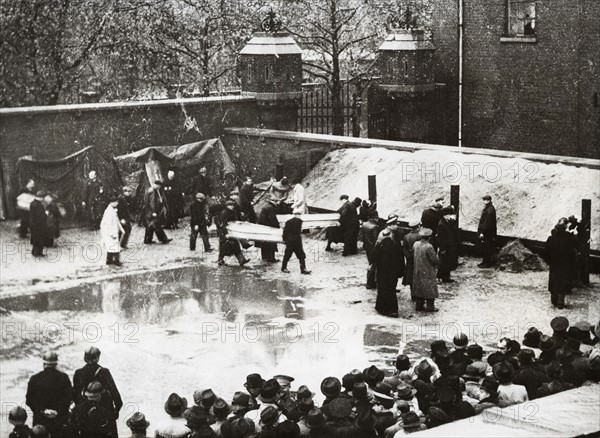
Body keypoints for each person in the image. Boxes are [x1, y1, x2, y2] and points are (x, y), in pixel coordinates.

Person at [73, 346, 123, 432]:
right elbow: (116, 397)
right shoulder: (105, 372)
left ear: (85, 358)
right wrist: (115, 413)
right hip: (104, 414)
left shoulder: (78, 373)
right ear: (98, 358)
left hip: (84, 414)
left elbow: (75, 396)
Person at [25, 351, 72, 438]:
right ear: (56, 364)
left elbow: (29, 400)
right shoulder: (64, 378)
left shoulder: (35, 379)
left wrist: (42, 411)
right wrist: (57, 412)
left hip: (40, 421)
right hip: (59, 421)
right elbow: (69, 399)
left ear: (44, 364)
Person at [546, 218, 578, 309]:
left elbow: (546, 252)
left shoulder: (551, 238)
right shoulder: (568, 238)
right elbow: (573, 251)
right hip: (565, 264)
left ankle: (554, 300)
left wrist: (550, 261)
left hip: (554, 264)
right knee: (563, 282)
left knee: (554, 281)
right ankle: (560, 302)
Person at [373, 229, 402, 318]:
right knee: (391, 290)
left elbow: (374, 258)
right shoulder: (396, 245)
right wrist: (400, 272)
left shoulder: (379, 245)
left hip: (382, 272)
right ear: (390, 236)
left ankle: (382, 308)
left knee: (382, 290)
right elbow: (400, 260)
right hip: (393, 273)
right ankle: (393, 310)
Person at [412, 228, 439, 312]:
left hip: (418, 269)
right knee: (430, 287)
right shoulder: (429, 246)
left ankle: (419, 305)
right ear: (429, 237)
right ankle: (430, 306)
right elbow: (434, 260)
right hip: (428, 270)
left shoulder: (416, 244)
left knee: (419, 286)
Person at [216, 200, 250, 267]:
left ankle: (242, 260)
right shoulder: (224, 213)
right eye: (230, 205)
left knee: (236, 246)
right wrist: (226, 233)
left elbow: (236, 220)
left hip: (232, 231)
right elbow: (223, 224)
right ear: (227, 206)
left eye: (233, 205)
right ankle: (220, 260)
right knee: (223, 248)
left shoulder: (233, 212)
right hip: (225, 232)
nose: (232, 206)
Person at [281, 210, 311, 274]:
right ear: (299, 214)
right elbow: (300, 231)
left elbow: (285, 232)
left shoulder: (288, 222)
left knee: (287, 255)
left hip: (290, 241)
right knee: (301, 255)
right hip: (297, 241)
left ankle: (283, 268)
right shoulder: (300, 221)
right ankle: (303, 269)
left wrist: (285, 240)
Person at [100, 194, 125, 266]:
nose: (117, 203)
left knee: (112, 246)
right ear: (111, 202)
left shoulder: (112, 210)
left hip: (112, 231)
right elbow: (108, 224)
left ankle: (110, 260)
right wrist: (112, 234)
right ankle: (115, 261)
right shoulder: (108, 211)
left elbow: (117, 220)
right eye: (115, 202)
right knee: (114, 246)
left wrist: (121, 229)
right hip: (109, 232)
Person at [143, 180, 171, 244]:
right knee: (156, 224)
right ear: (157, 185)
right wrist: (154, 212)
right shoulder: (152, 191)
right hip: (151, 212)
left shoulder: (151, 190)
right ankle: (163, 238)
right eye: (159, 186)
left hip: (149, 211)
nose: (159, 188)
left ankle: (148, 240)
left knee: (151, 226)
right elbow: (152, 203)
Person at [361, 211, 381, 289]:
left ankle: (370, 282)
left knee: (371, 264)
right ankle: (370, 283)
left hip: (367, 248)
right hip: (373, 249)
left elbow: (363, 237)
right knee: (374, 265)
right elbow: (376, 240)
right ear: (374, 218)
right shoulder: (374, 227)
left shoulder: (364, 224)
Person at [402, 220, 421, 300]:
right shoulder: (420, 236)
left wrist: (408, 256)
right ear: (418, 227)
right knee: (418, 276)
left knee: (410, 277)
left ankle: (413, 295)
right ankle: (419, 295)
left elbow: (404, 248)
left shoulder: (406, 236)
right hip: (418, 259)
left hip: (410, 259)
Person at [436, 213, 458, 283]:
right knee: (442, 263)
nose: (450, 216)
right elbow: (441, 238)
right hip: (444, 248)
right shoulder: (441, 224)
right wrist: (443, 249)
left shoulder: (446, 222)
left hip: (448, 247)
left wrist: (453, 220)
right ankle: (439, 277)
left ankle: (446, 277)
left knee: (447, 262)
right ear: (444, 215)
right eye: (449, 215)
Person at [257, 196, 280, 262]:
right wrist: (277, 228)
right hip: (269, 228)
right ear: (275, 201)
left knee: (264, 243)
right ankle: (271, 258)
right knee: (271, 243)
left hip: (263, 227)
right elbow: (273, 219)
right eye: (277, 202)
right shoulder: (271, 208)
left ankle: (264, 257)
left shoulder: (266, 206)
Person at [477, 194, 497, 268]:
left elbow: (487, 223)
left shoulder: (489, 210)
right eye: (484, 200)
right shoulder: (489, 208)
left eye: (486, 200)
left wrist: (482, 232)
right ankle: (484, 262)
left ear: (489, 200)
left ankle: (487, 263)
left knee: (487, 248)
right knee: (485, 248)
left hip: (487, 233)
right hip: (488, 233)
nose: (484, 201)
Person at [29, 191, 48, 257]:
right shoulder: (38, 205)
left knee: (35, 238)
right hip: (38, 224)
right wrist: (46, 214)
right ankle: (38, 253)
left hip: (33, 223)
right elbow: (40, 216)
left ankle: (34, 251)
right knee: (39, 238)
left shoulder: (32, 203)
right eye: (43, 198)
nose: (43, 199)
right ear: (41, 198)